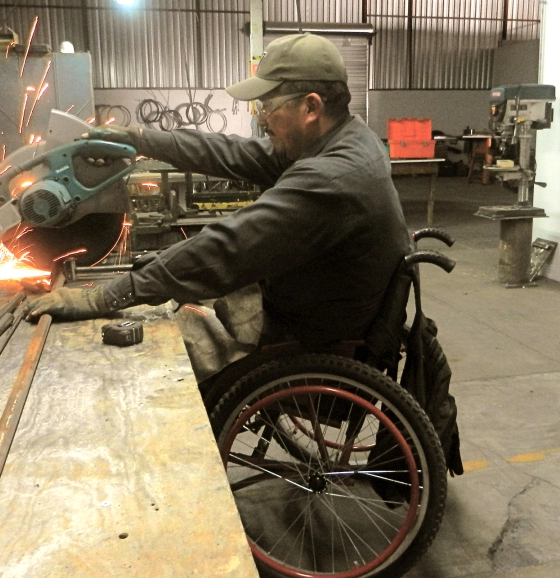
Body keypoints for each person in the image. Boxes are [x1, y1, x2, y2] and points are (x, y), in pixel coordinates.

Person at [27, 33, 410, 381]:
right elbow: (230, 151)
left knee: (156, 354)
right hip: (314, 303)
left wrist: (108, 295)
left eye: (268, 106)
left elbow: (229, 246)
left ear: (310, 107)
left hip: (307, 331)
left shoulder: (333, 177)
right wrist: (139, 139)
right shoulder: (343, 138)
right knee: (175, 281)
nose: (261, 120)